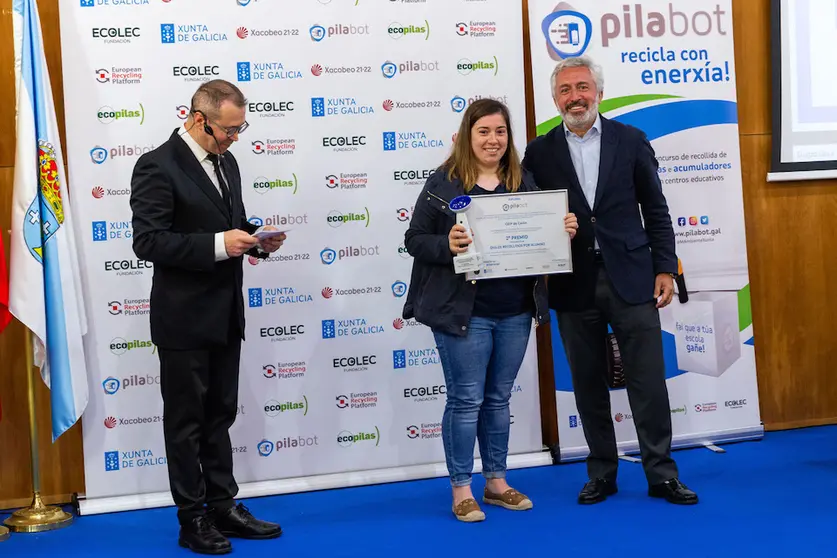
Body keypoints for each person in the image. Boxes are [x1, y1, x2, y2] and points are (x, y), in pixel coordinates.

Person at [522, 56, 698, 506]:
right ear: (555, 98)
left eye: (582, 87)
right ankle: (602, 472)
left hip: (633, 276)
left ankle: (661, 473)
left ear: (598, 92)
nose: (575, 97)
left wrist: (665, 268)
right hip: (572, 281)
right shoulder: (539, 152)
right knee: (587, 382)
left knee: (647, 380)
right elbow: (523, 214)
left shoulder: (631, 140)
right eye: (565, 90)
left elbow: (656, 211)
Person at [403, 99, 579, 522]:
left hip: (516, 311)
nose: (493, 140)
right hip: (463, 312)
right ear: (468, 135)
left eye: (500, 132)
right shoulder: (443, 183)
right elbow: (414, 240)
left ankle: (496, 482)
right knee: (466, 400)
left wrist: (562, 231)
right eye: (484, 131)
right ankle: (461, 488)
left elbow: (542, 241)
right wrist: (445, 245)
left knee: (498, 399)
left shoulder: (525, 182)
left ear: (508, 138)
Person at [130, 80, 286, 554]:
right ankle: (191, 517)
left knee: (219, 416)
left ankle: (223, 505)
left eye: (240, 129)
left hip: (224, 313)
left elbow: (226, 221)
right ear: (199, 119)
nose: (235, 138)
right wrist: (221, 245)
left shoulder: (227, 161)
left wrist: (255, 239)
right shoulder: (157, 165)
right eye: (228, 130)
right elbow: (148, 242)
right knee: (186, 423)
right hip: (183, 320)